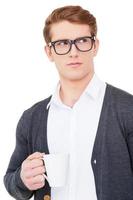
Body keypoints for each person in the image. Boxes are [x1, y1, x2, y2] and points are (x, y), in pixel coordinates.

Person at [4, 5, 133, 200]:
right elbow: (12, 182)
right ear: (49, 52)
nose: (73, 52)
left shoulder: (127, 109)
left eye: (82, 41)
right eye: (63, 43)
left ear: (95, 46)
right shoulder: (32, 118)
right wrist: (23, 178)